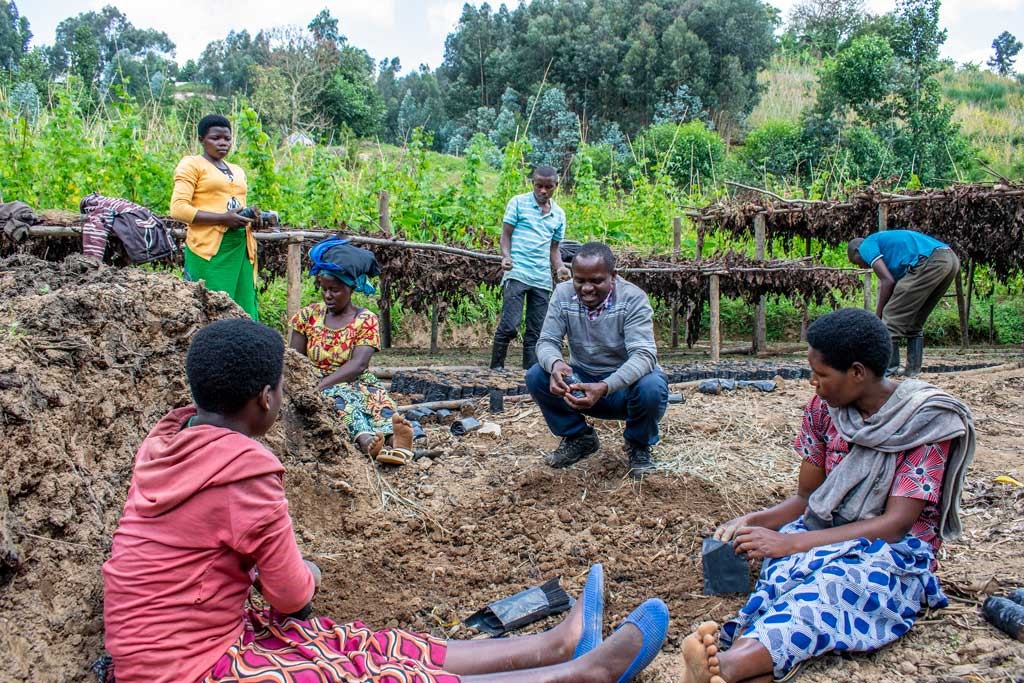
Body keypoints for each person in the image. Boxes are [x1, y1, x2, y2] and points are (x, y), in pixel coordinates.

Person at [102, 318, 672, 683]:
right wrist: (308, 573)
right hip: (189, 668)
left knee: (353, 643)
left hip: (161, 649)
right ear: (265, 400)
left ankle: (554, 643)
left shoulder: (166, 444)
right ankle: (574, 676)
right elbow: (292, 597)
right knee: (358, 670)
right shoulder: (242, 472)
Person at [678, 307, 975, 683]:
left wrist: (794, 543)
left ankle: (729, 666)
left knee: (833, 588)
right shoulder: (824, 411)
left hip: (893, 551)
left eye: (821, 375)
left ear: (856, 372)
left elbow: (896, 525)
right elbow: (806, 499)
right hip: (824, 529)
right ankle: (744, 665)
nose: (813, 384)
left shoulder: (925, 421)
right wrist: (755, 521)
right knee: (786, 578)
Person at [526, 241, 669, 479]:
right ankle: (579, 438)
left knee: (652, 385)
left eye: (596, 281)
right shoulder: (562, 295)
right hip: (582, 384)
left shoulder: (633, 299)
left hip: (624, 389)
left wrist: (605, 386)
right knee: (537, 375)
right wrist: (556, 365)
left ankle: (638, 445)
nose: (586, 288)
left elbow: (644, 356)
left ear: (613, 276)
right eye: (580, 280)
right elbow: (546, 342)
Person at [289, 237, 411, 465]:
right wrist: (315, 386)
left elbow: (359, 365)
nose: (327, 295)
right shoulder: (308, 316)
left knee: (377, 399)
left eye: (334, 290)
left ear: (350, 287)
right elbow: (294, 360)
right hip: (320, 382)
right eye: (324, 289)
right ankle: (367, 442)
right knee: (342, 402)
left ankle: (396, 440)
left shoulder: (365, 319)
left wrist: (321, 385)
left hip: (356, 379)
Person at [170, 114, 260, 319]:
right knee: (213, 308)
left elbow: (237, 207)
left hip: (240, 247)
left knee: (243, 306)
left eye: (227, 139)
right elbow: (178, 209)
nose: (223, 143)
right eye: (215, 138)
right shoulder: (192, 165)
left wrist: (253, 218)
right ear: (202, 139)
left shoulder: (236, 170)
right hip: (209, 250)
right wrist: (222, 219)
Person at [490, 165, 572, 370]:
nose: (543, 191)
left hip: (541, 277)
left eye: (548, 187)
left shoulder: (559, 215)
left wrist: (560, 267)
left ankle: (530, 372)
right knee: (510, 325)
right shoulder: (518, 203)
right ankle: (496, 368)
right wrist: (506, 257)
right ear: (532, 183)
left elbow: (554, 249)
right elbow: (505, 235)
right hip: (517, 272)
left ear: (556, 186)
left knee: (536, 330)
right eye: (539, 186)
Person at [847, 230, 960, 376]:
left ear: (857, 250)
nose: (860, 267)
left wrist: (878, 316)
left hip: (930, 260)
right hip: (950, 259)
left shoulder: (866, 245)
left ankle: (889, 370)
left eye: (855, 261)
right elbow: (891, 286)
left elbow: (887, 281)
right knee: (914, 321)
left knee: (890, 319)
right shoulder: (893, 255)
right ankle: (913, 371)